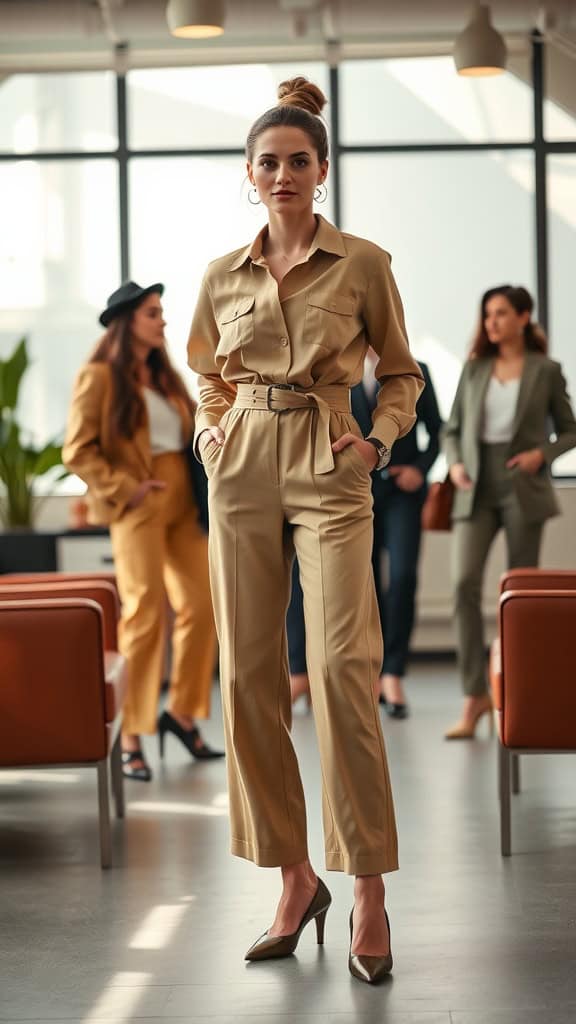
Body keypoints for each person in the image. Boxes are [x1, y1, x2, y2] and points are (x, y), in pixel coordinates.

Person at [186, 76, 424, 983]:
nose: (283, 174)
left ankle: (366, 887)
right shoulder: (219, 276)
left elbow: (399, 372)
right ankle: (294, 879)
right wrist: (212, 430)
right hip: (241, 458)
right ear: (249, 176)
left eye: (297, 161)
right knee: (248, 672)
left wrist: (379, 443)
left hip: (332, 459)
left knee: (339, 671)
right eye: (268, 164)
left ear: (320, 171)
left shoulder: (362, 263)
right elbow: (208, 372)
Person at [63, 281, 222, 781]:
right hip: (138, 502)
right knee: (145, 613)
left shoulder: (167, 378)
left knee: (203, 604)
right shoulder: (99, 378)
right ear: (128, 320)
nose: (163, 320)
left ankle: (182, 714)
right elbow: (77, 449)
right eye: (154, 313)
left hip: (184, 501)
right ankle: (130, 733)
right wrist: (124, 487)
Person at [444, 284, 576, 740]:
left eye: (500, 314)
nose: (491, 323)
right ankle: (474, 695)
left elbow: (570, 431)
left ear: (523, 317)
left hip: (523, 486)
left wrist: (543, 454)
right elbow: (452, 428)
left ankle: (518, 694)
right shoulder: (475, 368)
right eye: (487, 315)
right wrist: (456, 462)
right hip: (476, 487)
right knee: (463, 584)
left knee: (519, 596)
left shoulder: (546, 370)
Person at [287, 353, 442, 719]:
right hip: (354, 489)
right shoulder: (337, 368)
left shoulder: (415, 369)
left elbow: (437, 431)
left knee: (403, 577)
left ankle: (393, 673)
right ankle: (366, 673)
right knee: (361, 582)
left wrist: (420, 470)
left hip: (403, 491)